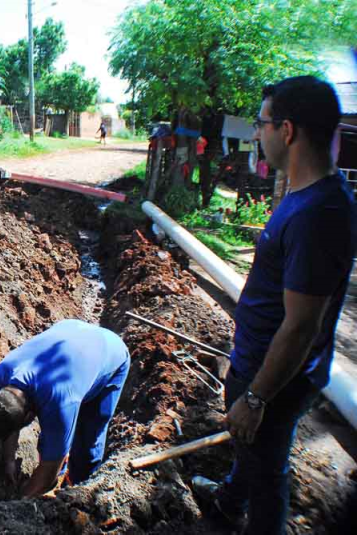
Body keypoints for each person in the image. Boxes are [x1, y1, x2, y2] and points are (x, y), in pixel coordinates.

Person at [192, 76, 357, 535]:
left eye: (260, 123)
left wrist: (255, 396)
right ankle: (229, 500)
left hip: (273, 378)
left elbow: (302, 326)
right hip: (262, 363)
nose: (256, 133)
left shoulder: (317, 214)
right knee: (255, 452)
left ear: (287, 130)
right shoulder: (308, 197)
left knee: (268, 475)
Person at [0, 319, 130, 497]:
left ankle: (77, 489)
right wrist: (9, 461)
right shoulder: (0, 376)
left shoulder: (61, 404)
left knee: (88, 438)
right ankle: (59, 460)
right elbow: (10, 424)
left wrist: (21, 500)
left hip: (111, 350)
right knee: (54, 439)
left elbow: (48, 474)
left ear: (29, 416)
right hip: (71, 330)